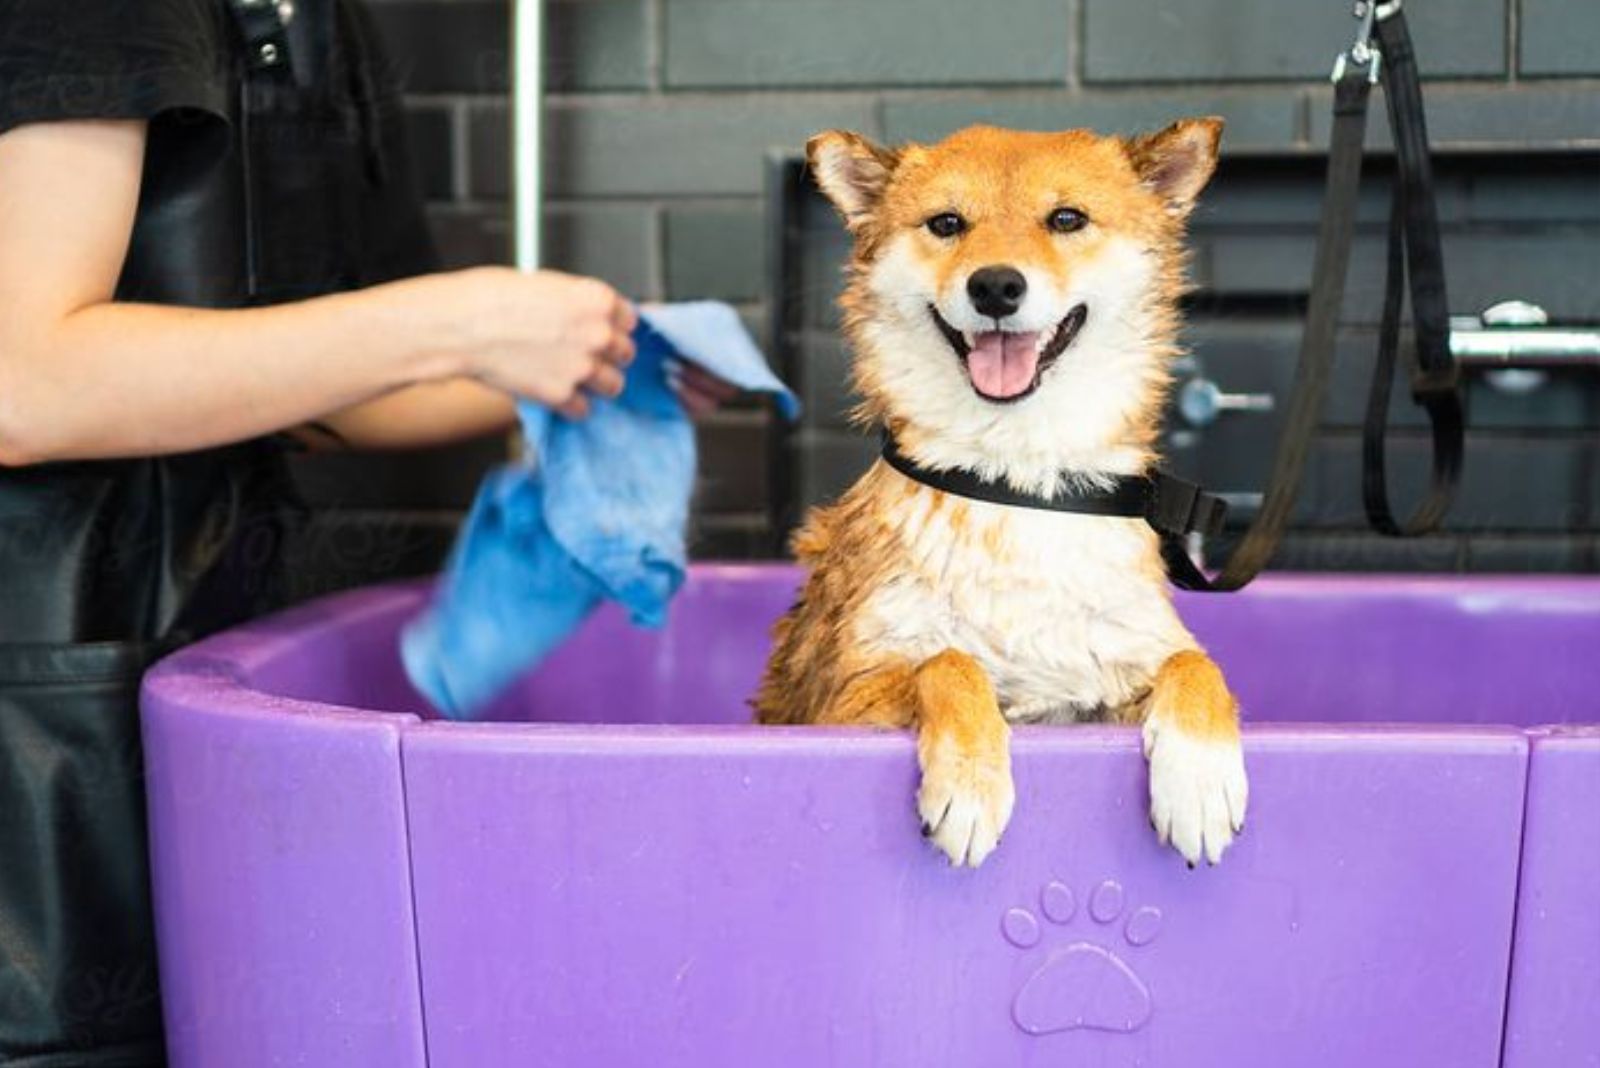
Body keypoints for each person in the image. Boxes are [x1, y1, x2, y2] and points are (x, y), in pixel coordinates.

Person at [0, 1, 730, 1062]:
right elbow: (23, 385)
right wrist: (465, 320)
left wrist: (598, 361)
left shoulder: (317, 21)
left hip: (182, 666)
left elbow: (299, 383)